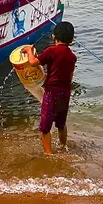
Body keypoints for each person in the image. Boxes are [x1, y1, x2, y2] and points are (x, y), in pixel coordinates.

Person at [22, 21, 77, 155]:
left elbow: (33, 62)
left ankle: (48, 154)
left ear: (54, 37)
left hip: (52, 93)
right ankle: (64, 147)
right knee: (61, 123)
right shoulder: (72, 56)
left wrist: (29, 50)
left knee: (45, 127)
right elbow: (69, 76)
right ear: (71, 39)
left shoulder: (51, 51)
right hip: (65, 93)